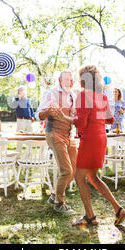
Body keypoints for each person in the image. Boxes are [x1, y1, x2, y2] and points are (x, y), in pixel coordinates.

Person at [54, 65, 125, 226]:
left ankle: (90, 217)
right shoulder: (102, 97)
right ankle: (118, 209)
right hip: (101, 139)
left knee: (79, 177)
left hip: (90, 140)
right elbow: (110, 120)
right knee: (92, 177)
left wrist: (64, 116)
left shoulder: (83, 96)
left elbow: (81, 122)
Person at [35, 70, 77, 214]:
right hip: (54, 133)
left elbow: (76, 115)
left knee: (74, 170)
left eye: (71, 79)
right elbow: (38, 114)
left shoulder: (73, 95)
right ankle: (59, 203)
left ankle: (54, 195)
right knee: (66, 170)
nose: (69, 82)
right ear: (60, 80)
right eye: (66, 79)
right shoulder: (51, 93)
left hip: (69, 135)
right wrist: (48, 112)